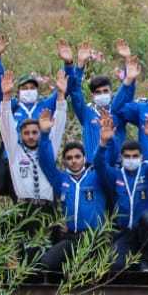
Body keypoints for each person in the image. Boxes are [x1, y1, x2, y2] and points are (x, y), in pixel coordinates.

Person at [35, 111, 115, 274]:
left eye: (77, 157)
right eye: (69, 158)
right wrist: (44, 134)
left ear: (84, 158)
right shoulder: (61, 180)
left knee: (95, 272)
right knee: (46, 263)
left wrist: (103, 143)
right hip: (70, 237)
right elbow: (45, 162)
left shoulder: (97, 177)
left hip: (94, 238)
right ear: (64, 161)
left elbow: (102, 162)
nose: (74, 160)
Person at [0, 68, 68, 212]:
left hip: (48, 209)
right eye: (26, 133)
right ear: (20, 135)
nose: (30, 136)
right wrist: (6, 98)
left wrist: (61, 95)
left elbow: (59, 126)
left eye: (35, 132)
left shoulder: (48, 151)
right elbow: (7, 128)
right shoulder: (15, 153)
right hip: (23, 210)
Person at [101, 117, 148, 271]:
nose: (131, 159)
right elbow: (99, 165)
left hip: (146, 230)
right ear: (121, 157)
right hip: (124, 232)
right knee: (116, 265)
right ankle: (134, 261)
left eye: (135, 156)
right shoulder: (116, 175)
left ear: (141, 157)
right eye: (127, 156)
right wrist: (103, 142)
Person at [58, 40, 124, 163]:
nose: (102, 94)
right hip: (92, 167)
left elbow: (127, 93)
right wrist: (80, 66)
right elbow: (75, 91)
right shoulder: (86, 113)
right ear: (93, 96)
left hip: (115, 168)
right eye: (98, 92)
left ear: (111, 93)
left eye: (105, 91)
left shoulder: (119, 112)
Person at [0, 32, 57, 126]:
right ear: (18, 92)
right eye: (24, 88)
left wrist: (68, 64)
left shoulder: (45, 106)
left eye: (32, 88)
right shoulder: (12, 106)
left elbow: (62, 92)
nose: (29, 91)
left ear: (37, 91)